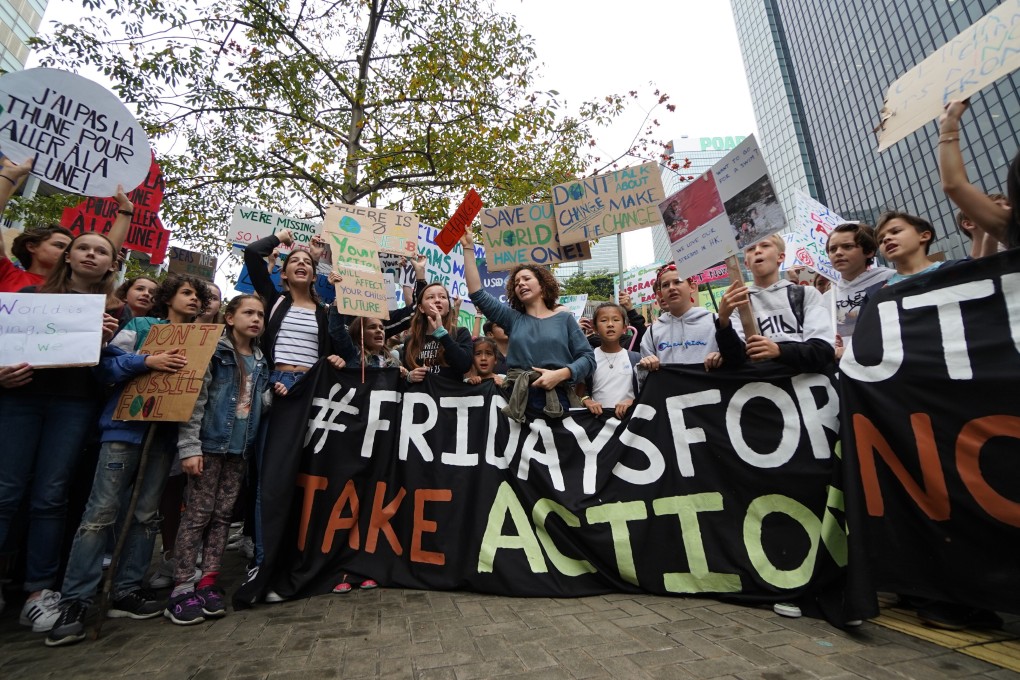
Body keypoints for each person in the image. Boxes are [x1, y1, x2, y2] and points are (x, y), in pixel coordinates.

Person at [45, 275, 210, 646]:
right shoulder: (139, 326)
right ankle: (76, 601)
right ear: (168, 298)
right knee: (100, 515)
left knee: (146, 515)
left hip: (164, 437)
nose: (193, 300)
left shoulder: (203, 339)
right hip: (124, 430)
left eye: (198, 296)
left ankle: (127, 589)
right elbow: (104, 366)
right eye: (186, 293)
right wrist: (148, 360)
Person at [0, 230, 125, 632]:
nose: (92, 255)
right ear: (68, 257)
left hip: (73, 405)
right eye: (84, 248)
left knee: (51, 496)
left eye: (101, 251)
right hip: (19, 401)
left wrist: (103, 342)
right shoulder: (26, 299)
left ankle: (38, 592)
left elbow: (107, 368)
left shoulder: (109, 311)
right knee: (6, 491)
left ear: (110, 264)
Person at [165, 295, 270, 625]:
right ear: (229, 317)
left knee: (223, 515)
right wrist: (190, 447)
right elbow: (196, 401)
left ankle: (209, 579)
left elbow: (256, 404)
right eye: (248, 313)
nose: (255, 319)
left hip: (238, 452)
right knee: (197, 514)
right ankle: (182, 586)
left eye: (260, 315)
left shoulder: (261, 359)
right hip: (209, 448)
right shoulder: (216, 353)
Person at [460, 230, 594, 422]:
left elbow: (588, 359)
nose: (520, 284)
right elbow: (477, 294)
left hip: (556, 400)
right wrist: (468, 248)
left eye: (526, 279)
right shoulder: (512, 319)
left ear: (542, 285)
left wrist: (560, 375)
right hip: (518, 400)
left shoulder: (565, 319)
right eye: (516, 282)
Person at [730, 235, 835, 373]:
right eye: (751, 248)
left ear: (781, 257)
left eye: (765, 245)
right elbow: (735, 358)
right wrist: (723, 324)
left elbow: (823, 350)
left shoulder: (807, 294)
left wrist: (779, 351)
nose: (757, 251)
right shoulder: (737, 302)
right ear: (746, 264)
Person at [938, 99, 1017, 250]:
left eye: (1009, 204)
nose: (1008, 209)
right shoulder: (1013, 229)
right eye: (999, 206)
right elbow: (954, 184)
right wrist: (949, 125)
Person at [638, 264, 746, 373]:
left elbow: (739, 357)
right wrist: (646, 364)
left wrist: (723, 355)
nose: (671, 288)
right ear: (661, 294)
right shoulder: (652, 332)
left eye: (677, 282)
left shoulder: (718, 321)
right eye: (665, 285)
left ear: (692, 287)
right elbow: (644, 377)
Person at [825, 223, 894, 359]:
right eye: (832, 249)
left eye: (847, 246)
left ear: (869, 252)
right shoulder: (827, 298)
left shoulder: (890, 280)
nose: (838, 252)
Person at [401, 281, 473, 383]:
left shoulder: (460, 333)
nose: (437, 300)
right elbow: (404, 375)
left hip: (448, 396)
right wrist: (409, 377)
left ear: (448, 307)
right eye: (431, 297)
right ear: (421, 308)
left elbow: (464, 365)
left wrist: (442, 334)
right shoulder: (411, 340)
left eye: (443, 297)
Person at [580, 303, 641, 420]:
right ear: (595, 328)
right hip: (598, 424)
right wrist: (587, 401)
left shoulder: (636, 359)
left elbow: (646, 393)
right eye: (603, 320)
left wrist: (632, 401)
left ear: (624, 327)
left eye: (616, 320)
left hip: (628, 423)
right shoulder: (588, 359)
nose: (610, 324)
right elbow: (579, 393)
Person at [874, 212, 948, 285]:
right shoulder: (880, 292)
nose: (885, 239)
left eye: (896, 231)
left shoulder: (955, 271)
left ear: (924, 236)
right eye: (880, 241)